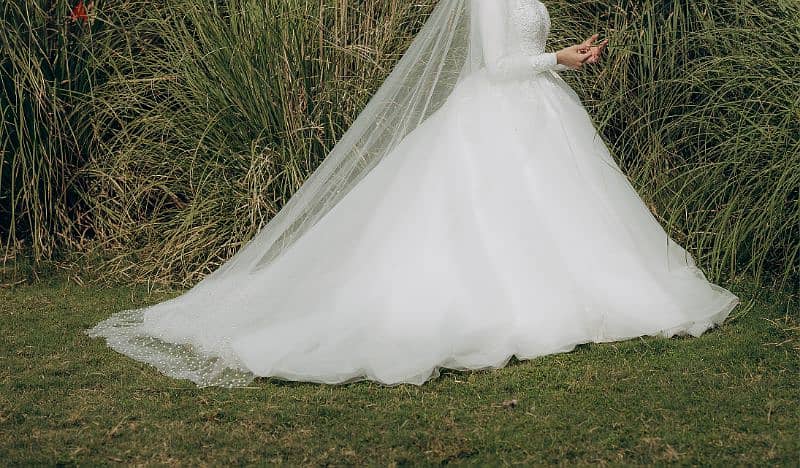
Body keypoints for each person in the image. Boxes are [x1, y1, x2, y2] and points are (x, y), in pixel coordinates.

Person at [87, 0, 739, 387]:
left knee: (558, 213)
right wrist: (557, 60)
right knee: (491, 215)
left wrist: (565, 56)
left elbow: (528, 50)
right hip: (501, 110)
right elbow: (497, 65)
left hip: (541, 109)